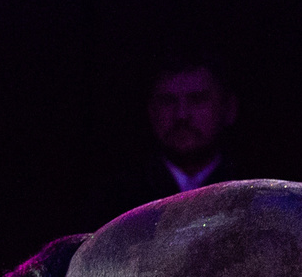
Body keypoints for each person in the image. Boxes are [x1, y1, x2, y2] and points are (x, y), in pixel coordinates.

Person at [99, 61, 245, 218]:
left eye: (197, 100)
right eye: (167, 101)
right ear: (151, 111)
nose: (181, 115)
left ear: (229, 108)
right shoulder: (116, 198)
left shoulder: (250, 192)